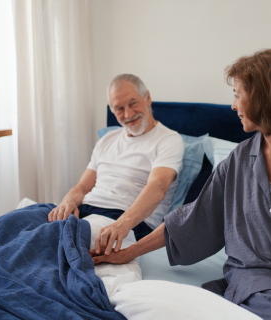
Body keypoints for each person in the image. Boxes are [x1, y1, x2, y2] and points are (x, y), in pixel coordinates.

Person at [91, 50, 271, 320]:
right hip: (258, 274)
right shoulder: (239, 159)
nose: (234, 106)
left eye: (238, 95)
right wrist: (128, 252)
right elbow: (191, 219)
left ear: (265, 96)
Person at [48, 74, 184, 253]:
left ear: (148, 98)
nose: (128, 114)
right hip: (86, 210)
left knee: (49, 238)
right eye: (119, 108)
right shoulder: (107, 139)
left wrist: (121, 225)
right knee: (22, 220)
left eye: (133, 103)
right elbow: (82, 187)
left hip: (126, 219)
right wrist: (67, 203)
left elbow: (158, 187)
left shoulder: (168, 140)